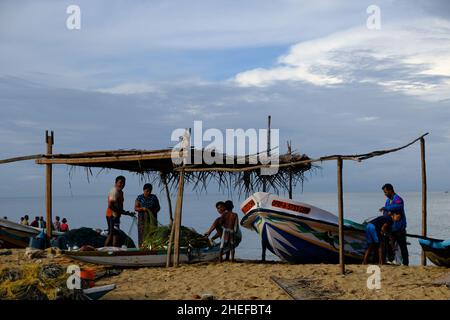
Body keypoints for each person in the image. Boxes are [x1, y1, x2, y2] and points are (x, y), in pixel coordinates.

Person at [379, 183, 409, 266]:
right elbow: (385, 213)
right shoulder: (388, 201)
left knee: (402, 245)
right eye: (384, 192)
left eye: (385, 192)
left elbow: (398, 207)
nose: (385, 194)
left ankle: (405, 263)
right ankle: (391, 260)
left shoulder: (398, 199)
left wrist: (386, 208)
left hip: (399, 227)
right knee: (389, 244)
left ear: (390, 190)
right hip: (391, 227)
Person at [105, 176, 135, 247]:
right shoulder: (114, 191)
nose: (122, 184)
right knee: (112, 233)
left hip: (116, 216)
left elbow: (119, 207)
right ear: (116, 183)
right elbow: (110, 206)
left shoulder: (121, 192)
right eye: (120, 183)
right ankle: (104, 250)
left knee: (116, 234)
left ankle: (114, 251)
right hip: (111, 216)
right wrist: (120, 212)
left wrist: (127, 213)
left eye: (123, 183)